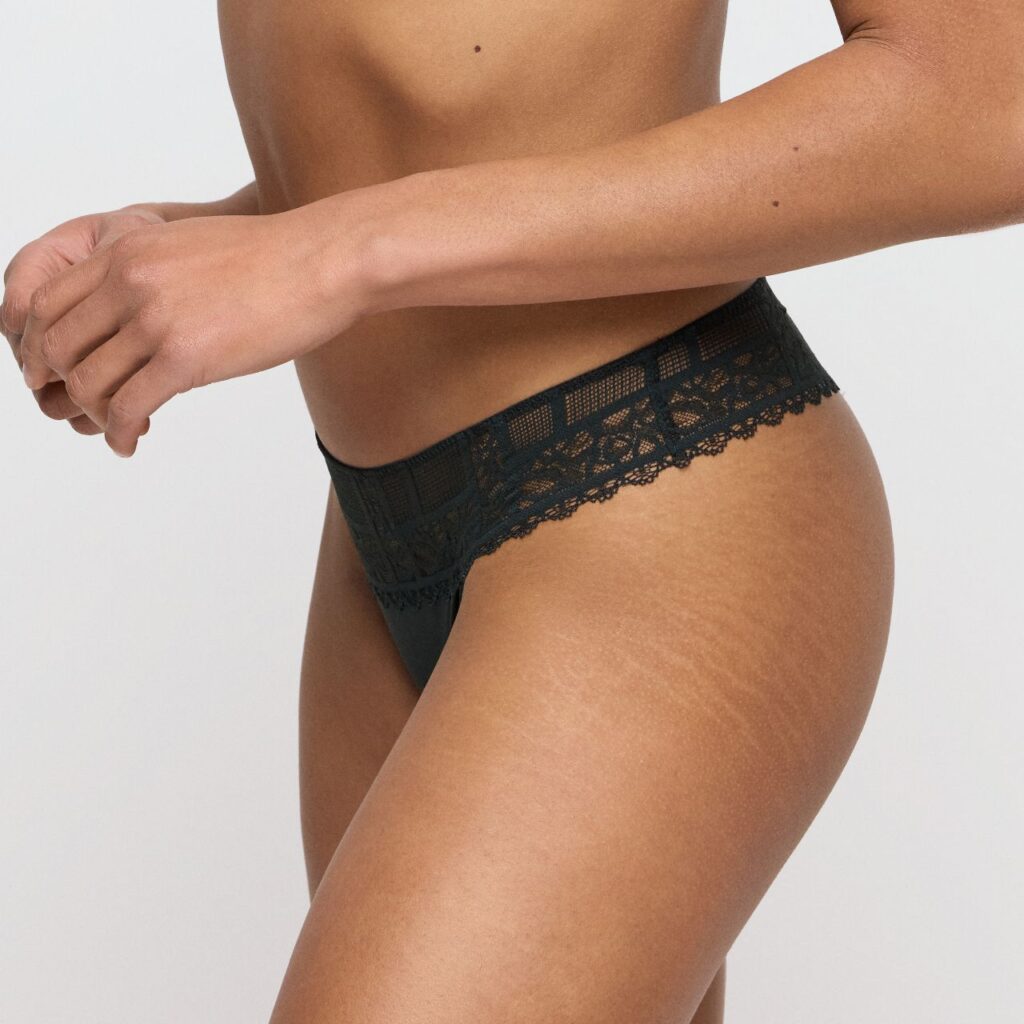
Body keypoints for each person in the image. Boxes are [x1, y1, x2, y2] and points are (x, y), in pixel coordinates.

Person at [3, 2, 1022, 1020]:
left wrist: (334, 252)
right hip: (377, 537)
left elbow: (990, 104)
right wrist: (200, 253)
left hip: (652, 499)